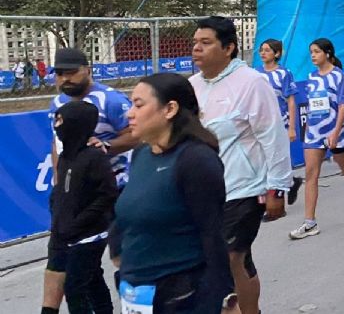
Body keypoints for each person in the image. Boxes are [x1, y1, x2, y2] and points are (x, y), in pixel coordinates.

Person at [189, 16, 292, 314]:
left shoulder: (251, 82)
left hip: (244, 189)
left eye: (205, 43)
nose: (197, 48)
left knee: (232, 256)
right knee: (218, 259)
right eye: (195, 42)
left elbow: (272, 136)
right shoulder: (191, 86)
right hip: (204, 193)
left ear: (229, 48)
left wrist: (278, 187)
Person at [114, 73, 237, 313]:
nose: (130, 113)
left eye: (139, 105)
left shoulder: (196, 160)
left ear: (169, 109)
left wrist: (225, 298)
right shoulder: (142, 154)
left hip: (181, 295)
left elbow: (212, 234)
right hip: (137, 293)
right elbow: (132, 210)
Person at [44, 48, 135, 314]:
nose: (65, 79)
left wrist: (105, 147)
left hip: (114, 190)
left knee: (119, 259)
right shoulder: (56, 104)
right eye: (59, 74)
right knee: (83, 268)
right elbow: (56, 144)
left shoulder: (111, 100)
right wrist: (60, 184)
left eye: (71, 72)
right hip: (75, 197)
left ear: (88, 69)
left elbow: (136, 134)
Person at [289, 38, 344, 240]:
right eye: (311, 52)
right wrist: (307, 130)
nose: (313, 56)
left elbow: (343, 105)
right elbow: (311, 105)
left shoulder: (338, 76)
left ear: (328, 53)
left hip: (337, 133)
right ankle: (310, 222)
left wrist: (335, 132)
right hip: (314, 134)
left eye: (316, 51)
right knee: (311, 174)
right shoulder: (311, 77)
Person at [49, 101, 118, 314]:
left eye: (60, 121)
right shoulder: (66, 158)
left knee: (74, 287)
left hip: (90, 235)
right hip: (69, 234)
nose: (57, 126)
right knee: (93, 279)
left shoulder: (94, 157)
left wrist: (80, 222)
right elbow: (62, 191)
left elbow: (107, 195)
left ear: (75, 124)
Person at [255, 39, 303, 211]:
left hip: (279, 123)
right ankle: (291, 183)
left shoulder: (284, 74)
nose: (263, 53)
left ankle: (277, 204)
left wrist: (291, 127)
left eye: (267, 50)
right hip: (260, 124)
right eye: (261, 50)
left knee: (277, 160)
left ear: (276, 54)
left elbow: (291, 101)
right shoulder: (256, 73)